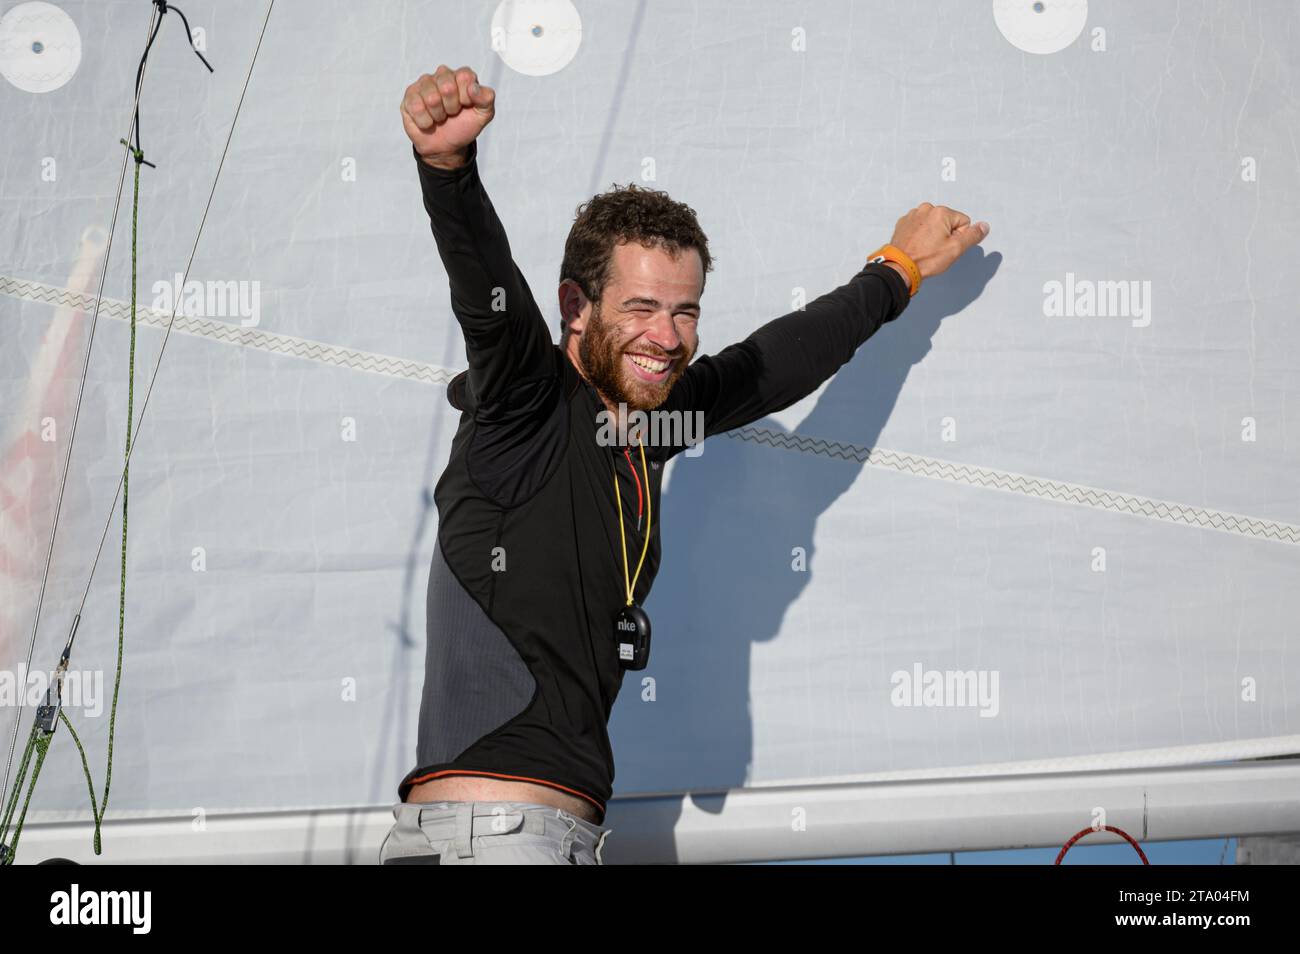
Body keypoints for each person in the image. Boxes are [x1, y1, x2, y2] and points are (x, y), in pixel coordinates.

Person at [379, 64, 989, 865]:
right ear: (575, 306)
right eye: (639, 308)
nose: (666, 337)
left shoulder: (649, 428)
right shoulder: (526, 403)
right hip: (498, 841)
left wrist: (896, 270)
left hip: (512, 837)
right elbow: (485, 294)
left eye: (685, 311)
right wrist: (448, 172)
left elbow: (773, 365)